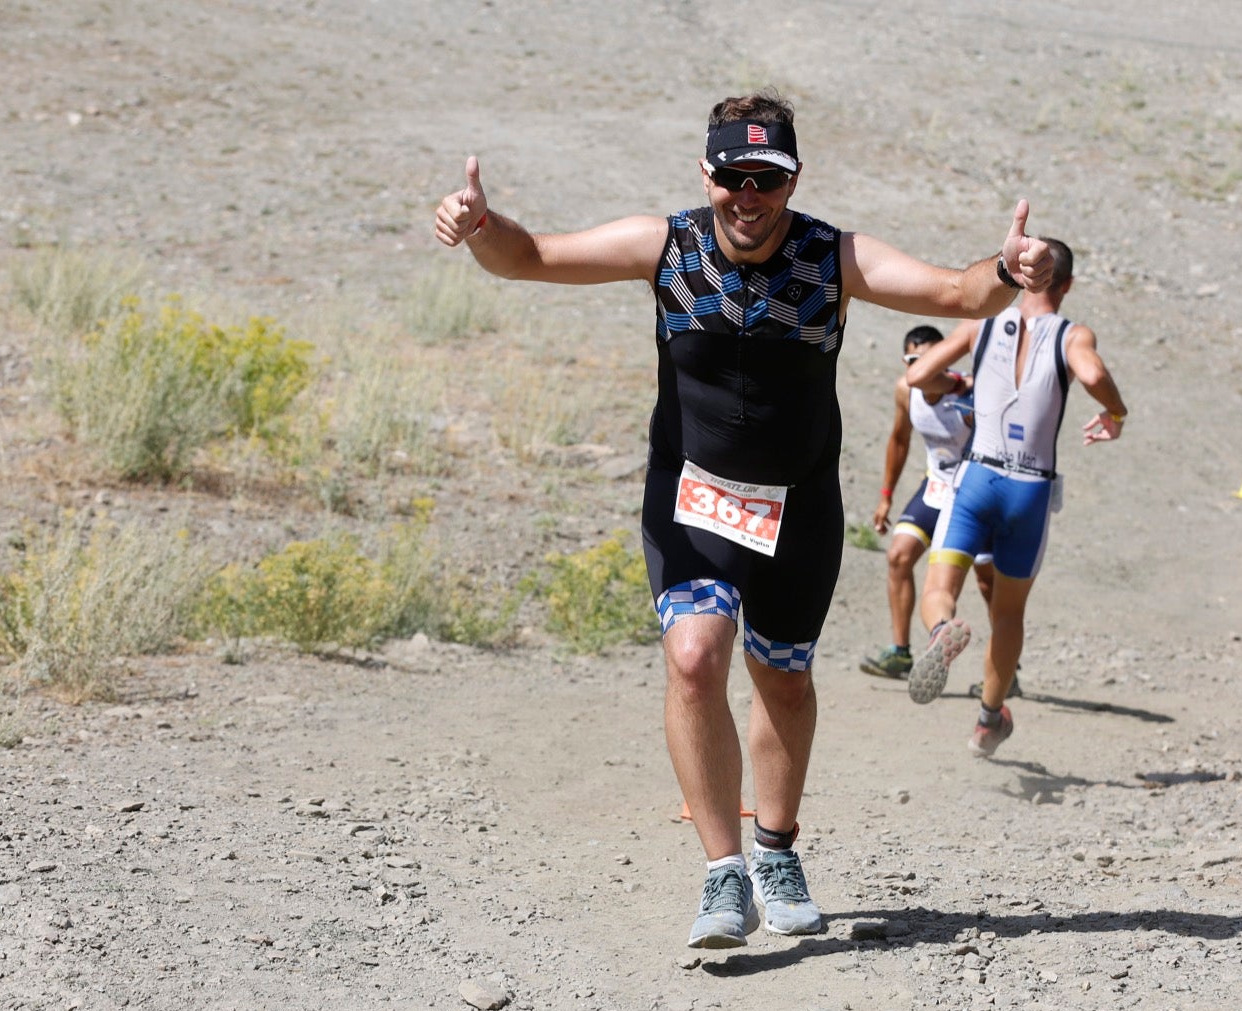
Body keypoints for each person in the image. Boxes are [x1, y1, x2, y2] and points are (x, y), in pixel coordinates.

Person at [435, 89, 1053, 949]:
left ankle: (776, 849)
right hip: (690, 497)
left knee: (784, 679)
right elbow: (530, 256)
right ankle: (723, 873)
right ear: (708, 172)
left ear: (794, 181)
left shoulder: (832, 258)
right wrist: (480, 226)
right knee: (694, 658)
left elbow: (956, 290)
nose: (748, 198)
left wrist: (1005, 267)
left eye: (768, 179)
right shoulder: (666, 244)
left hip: (798, 510)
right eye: (734, 177)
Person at [901, 237, 1127, 757]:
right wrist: (1116, 414)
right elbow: (1092, 374)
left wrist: (961, 384)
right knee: (1008, 614)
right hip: (1031, 489)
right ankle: (987, 720)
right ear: (1066, 285)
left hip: (978, 477)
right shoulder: (1072, 334)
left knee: (940, 584)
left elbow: (917, 375)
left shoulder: (981, 324)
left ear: (1025, 278)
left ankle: (940, 630)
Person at [860, 324, 1020, 699]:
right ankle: (900, 653)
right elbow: (899, 440)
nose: (926, 370)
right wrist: (886, 495)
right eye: (917, 362)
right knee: (899, 556)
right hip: (934, 488)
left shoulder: (967, 395)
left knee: (986, 581)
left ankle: (1006, 669)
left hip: (971, 494)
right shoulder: (906, 390)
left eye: (935, 360)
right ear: (907, 363)